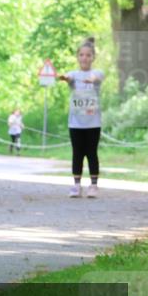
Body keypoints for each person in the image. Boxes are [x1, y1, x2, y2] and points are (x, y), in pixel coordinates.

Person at [59, 37, 105, 198]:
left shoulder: (97, 73)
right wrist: (65, 78)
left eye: (88, 55)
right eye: (82, 55)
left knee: (92, 153)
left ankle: (93, 185)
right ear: (78, 57)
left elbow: (97, 78)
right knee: (77, 153)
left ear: (93, 57)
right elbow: (69, 77)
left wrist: (91, 79)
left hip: (93, 123)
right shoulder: (73, 74)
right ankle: (77, 185)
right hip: (76, 123)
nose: (84, 58)